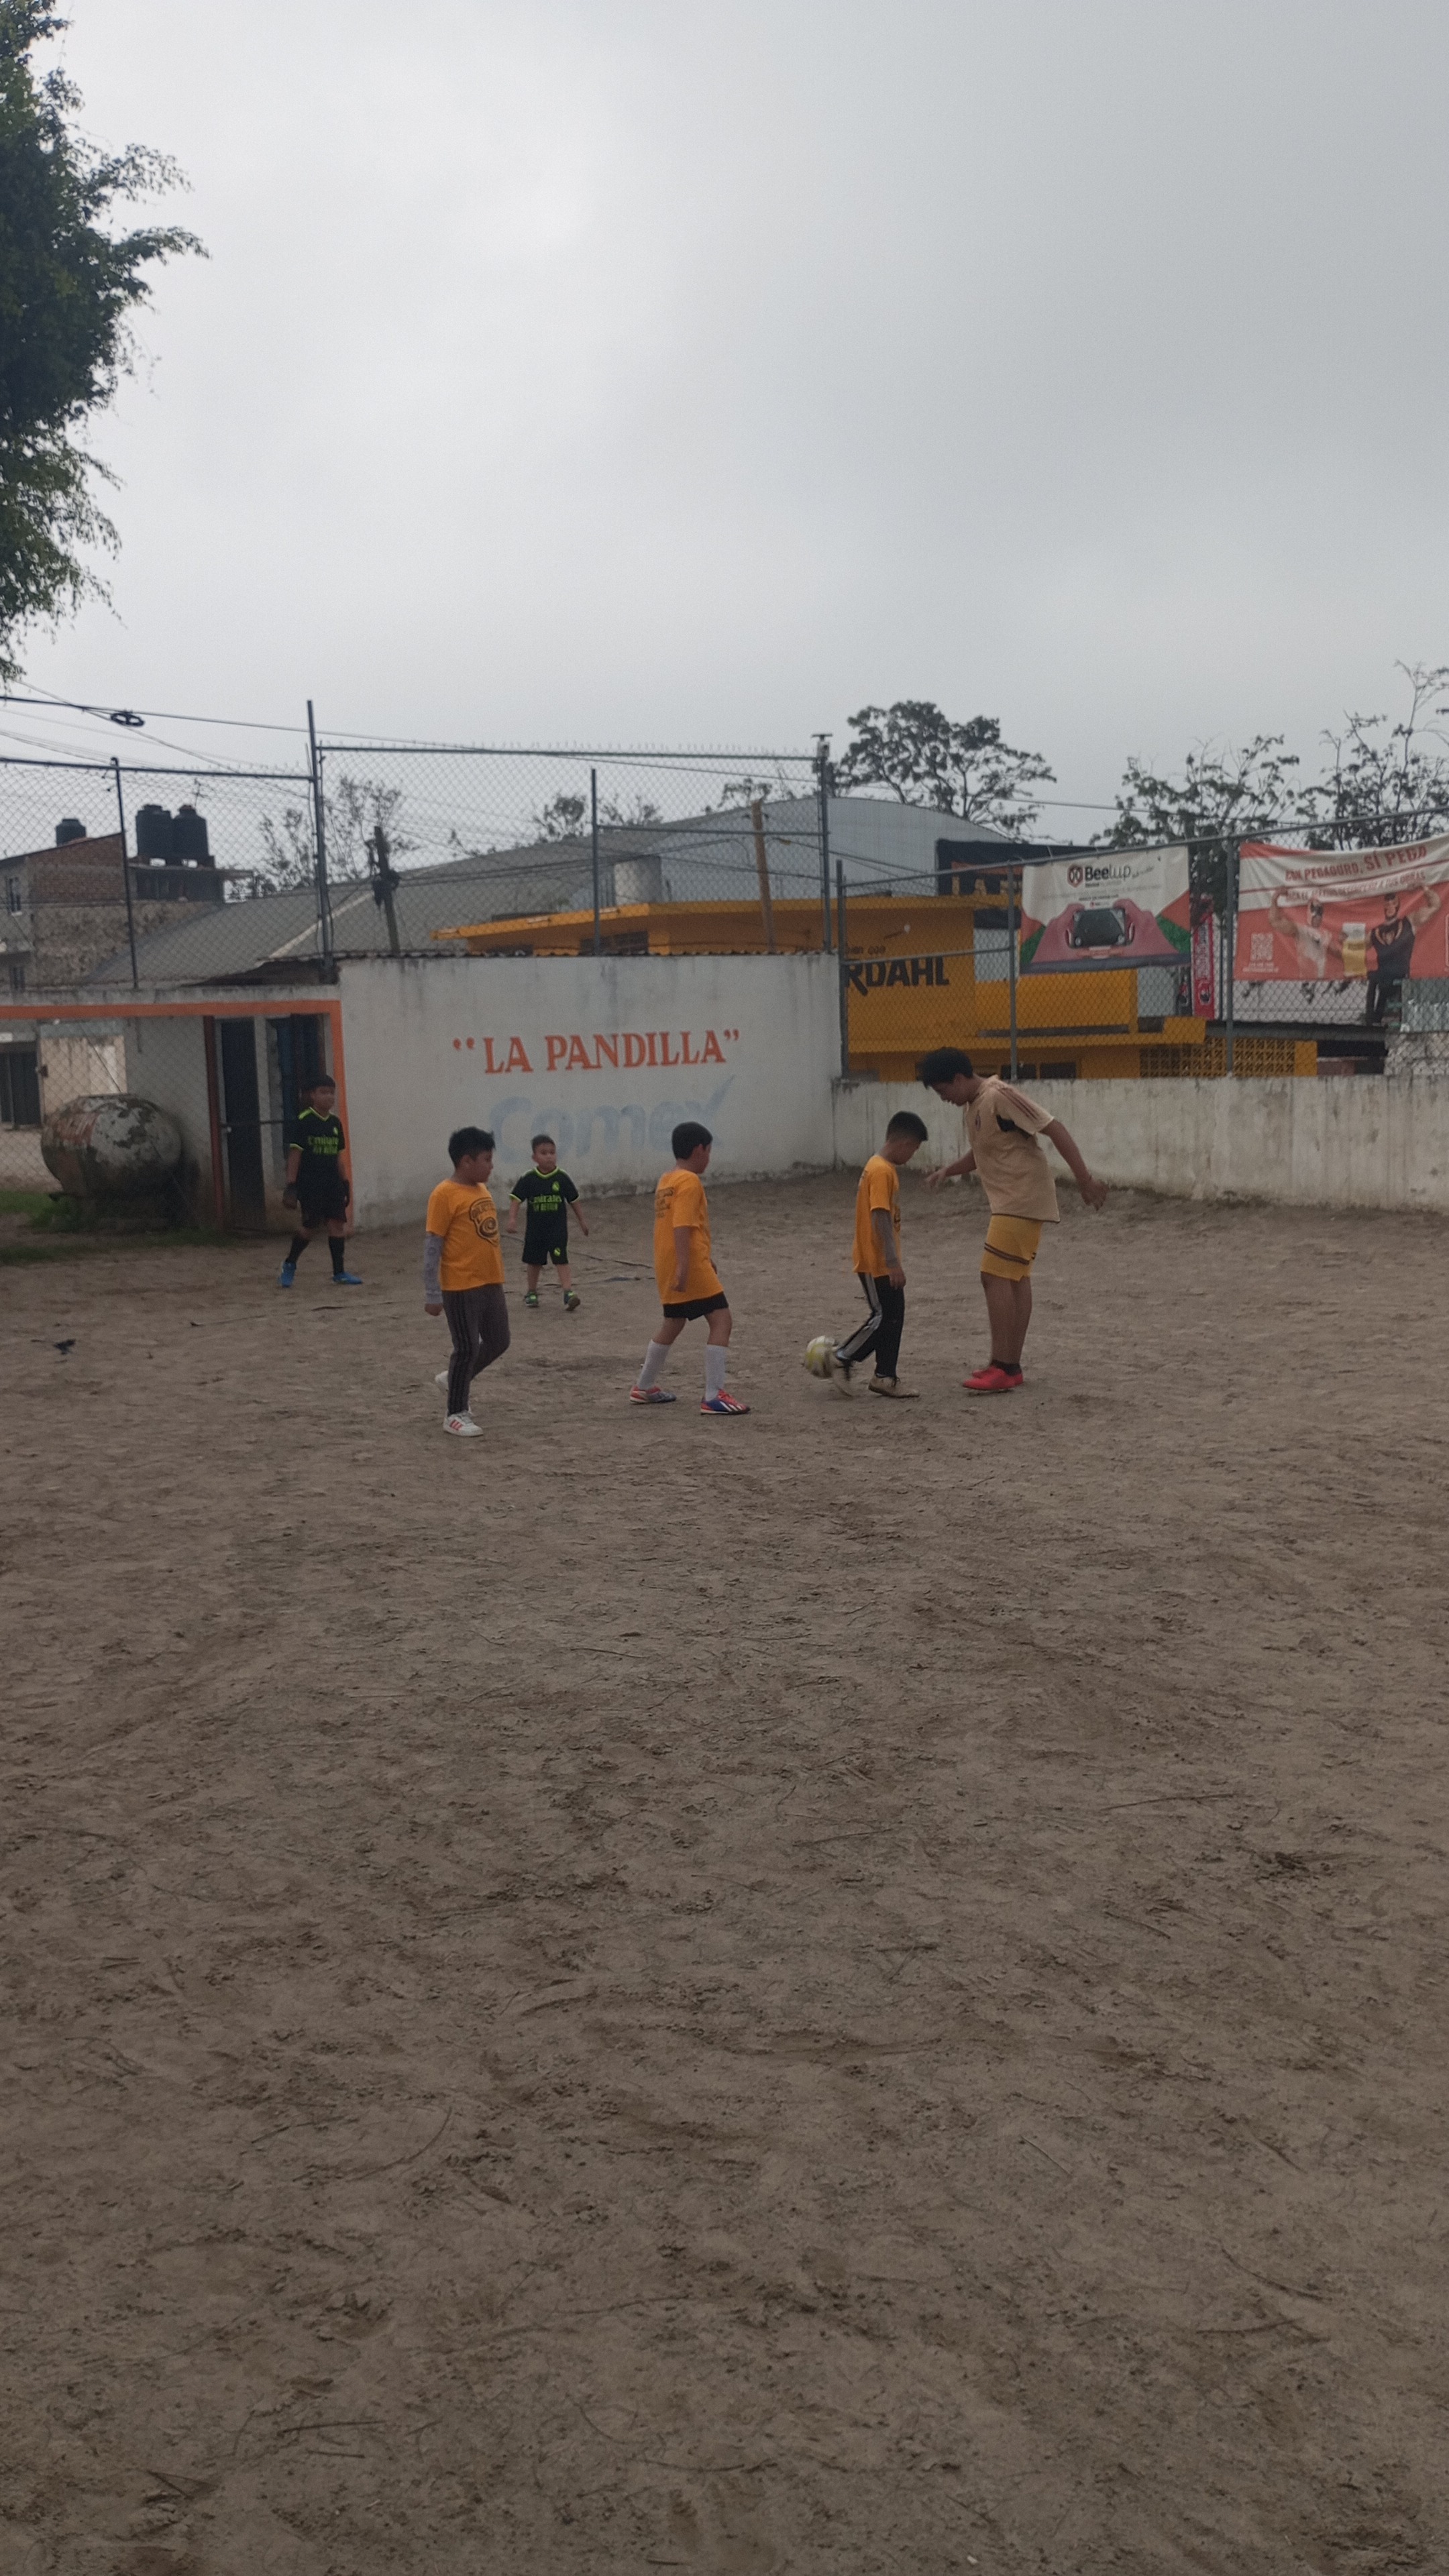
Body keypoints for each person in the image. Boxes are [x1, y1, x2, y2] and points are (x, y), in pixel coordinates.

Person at [918, 1046, 1107, 1393]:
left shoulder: (999, 1095)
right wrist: (949, 1170)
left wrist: (1085, 1180)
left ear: (959, 1079)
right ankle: (1010, 1365)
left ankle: (1002, 1365)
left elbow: (1055, 1128)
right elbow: (983, 1152)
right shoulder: (976, 1105)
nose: (943, 1099)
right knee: (1015, 1278)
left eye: (943, 1091)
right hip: (1015, 1200)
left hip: (1020, 1199)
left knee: (993, 1276)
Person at [631, 1120, 749, 1416]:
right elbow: (682, 1225)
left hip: (670, 1260)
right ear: (699, 1149)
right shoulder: (689, 1182)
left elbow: (675, 1226)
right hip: (686, 1262)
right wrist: (687, 1266)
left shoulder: (666, 1180)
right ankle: (713, 1395)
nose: (710, 1157)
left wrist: (700, 1258)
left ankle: (644, 1386)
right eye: (709, 1151)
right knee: (722, 1320)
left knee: (674, 1322)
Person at [833, 1111, 929, 1398]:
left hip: (879, 1260)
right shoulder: (881, 1171)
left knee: (893, 1316)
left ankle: (885, 1376)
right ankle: (842, 1358)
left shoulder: (879, 1168)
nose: (912, 1156)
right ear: (903, 1142)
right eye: (913, 1149)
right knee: (883, 1316)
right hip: (877, 1262)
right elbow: (880, 1216)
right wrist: (892, 1262)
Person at [423, 1125, 511, 1439]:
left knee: (499, 1340)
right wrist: (433, 1291)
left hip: (490, 1280)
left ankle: (456, 1380)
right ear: (466, 1161)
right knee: (466, 1347)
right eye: (486, 1160)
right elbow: (433, 1244)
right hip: (460, 1285)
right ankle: (455, 1413)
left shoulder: (481, 1190)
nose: (491, 1166)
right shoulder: (444, 1194)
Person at [278, 1075, 362, 1287]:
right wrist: (291, 1184)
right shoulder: (304, 1121)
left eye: (331, 1092)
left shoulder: (335, 1123)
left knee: (337, 1224)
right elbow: (295, 1154)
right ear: (313, 1095)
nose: (329, 1097)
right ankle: (290, 1264)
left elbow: (337, 1157)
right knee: (310, 1226)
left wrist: (345, 1182)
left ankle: (339, 1272)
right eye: (323, 1092)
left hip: (331, 1182)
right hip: (311, 1183)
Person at [506, 1133, 589, 1309]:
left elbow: (574, 1201)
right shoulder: (529, 1179)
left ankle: (568, 1292)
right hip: (535, 1231)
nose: (549, 1156)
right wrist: (512, 1219)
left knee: (561, 1260)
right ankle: (532, 1292)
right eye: (544, 1153)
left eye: (552, 1152)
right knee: (534, 1261)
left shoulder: (562, 1178)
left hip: (557, 1230)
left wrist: (582, 1221)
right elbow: (516, 1199)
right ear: (535, 1157)